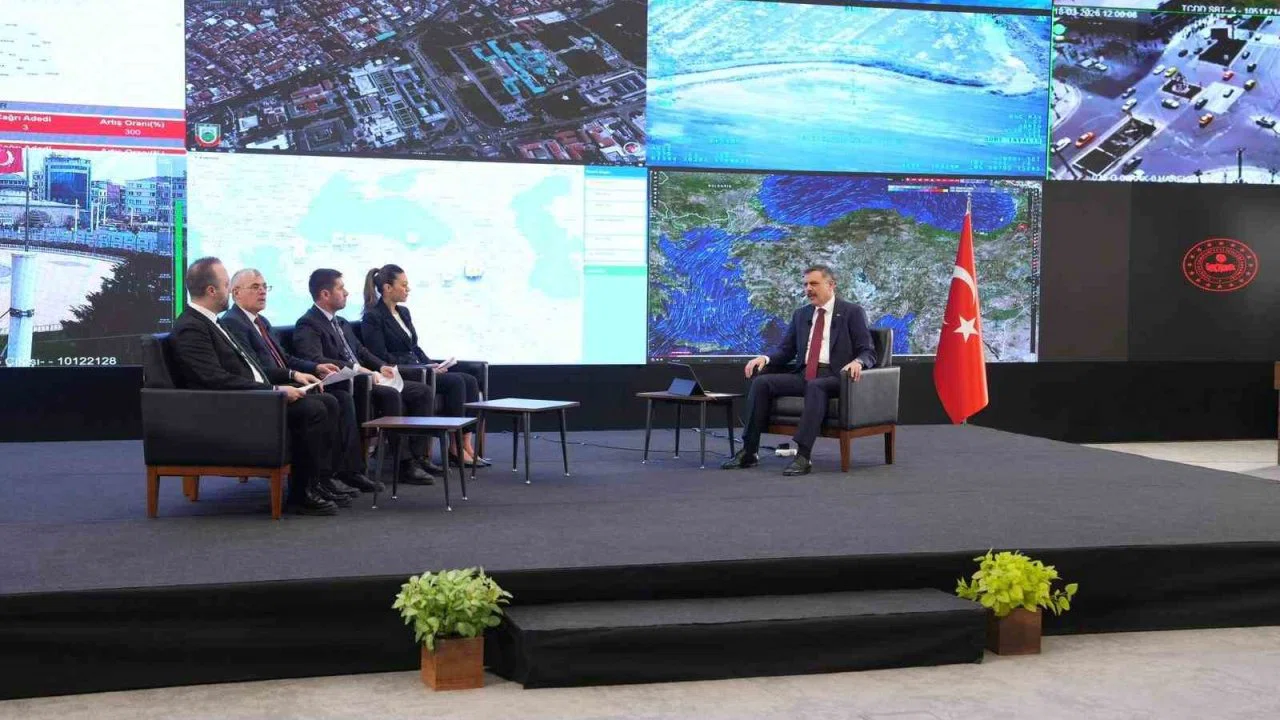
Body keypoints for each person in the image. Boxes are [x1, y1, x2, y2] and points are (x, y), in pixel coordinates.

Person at [168, 257, 350, 516]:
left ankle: (316, 482)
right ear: (211, 290)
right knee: (313, 409)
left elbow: (250, 366)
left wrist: (289, 378)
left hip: (254, 396)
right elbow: (213, 379)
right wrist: (274, 391)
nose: (229, 291)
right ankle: (301, 495)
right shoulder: (192, 327)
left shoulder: (213, 321)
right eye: (226, 285)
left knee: (328, 400)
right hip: (234, 407)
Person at [219, 268, 379, 494]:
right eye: (255, 287)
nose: (263, 292)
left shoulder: (261, 321)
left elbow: (285, 358)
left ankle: (340, 473)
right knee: (331, 401)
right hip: (265, 392)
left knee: (341, 397)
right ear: (235, 292)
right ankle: (319, 479)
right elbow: (254, 368)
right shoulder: (233, 323)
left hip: (285, 382)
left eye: (265, 287)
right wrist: (292, 375)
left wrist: (315, 367)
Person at [721, 264, 877, 476]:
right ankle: (749, 451)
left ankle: (803, 456)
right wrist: (765, 358)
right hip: (805, 374)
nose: (808, 289)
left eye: (814, 284)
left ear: (831, 285)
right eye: (805, 284)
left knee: (815, 386)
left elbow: (868, 350)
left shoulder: (852, 312)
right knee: (761, 383)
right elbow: (786, 350)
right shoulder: (801, 314)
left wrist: (858, 362)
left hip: (836, 376)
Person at [291, 268, 438, 485]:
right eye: (341, 288)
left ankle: (419, 457)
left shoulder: (341, 322)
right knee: (390, 394)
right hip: (347, 384)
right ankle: (403, 464)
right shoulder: (308, 323)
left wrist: (381, 366)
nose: (346, 293)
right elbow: (315, 359)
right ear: (325, 294)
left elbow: (361, 351)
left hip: (367, 378)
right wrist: (361, 370)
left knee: (421, 391)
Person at [360, 264, 487, 466]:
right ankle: (454, 447)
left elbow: (414, 347)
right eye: (403, 285)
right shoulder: (373, 317)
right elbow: (380, 355)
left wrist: (430, 364)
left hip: (420, 368)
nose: (408, 289)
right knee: (455, 382)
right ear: (387, 288)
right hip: (402, 373)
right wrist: (422, 368)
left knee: (469, 380)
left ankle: (465, 445)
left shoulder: (403, 312)